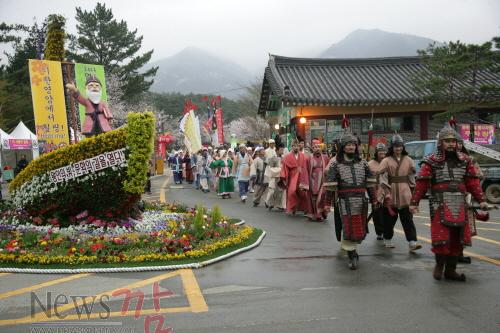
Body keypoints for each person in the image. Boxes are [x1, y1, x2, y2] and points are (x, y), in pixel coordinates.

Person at [410, 124, 489, 281]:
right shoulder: (431, 161)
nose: (451, 144)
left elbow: (472, 183)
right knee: (441, 238)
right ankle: (439, 266)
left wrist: (482, 200)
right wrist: (414, 203)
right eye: (447, 141)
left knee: (457, 239)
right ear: (440, 143)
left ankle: (450, 270)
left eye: (454, 141)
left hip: (460, 203)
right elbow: (422, 184)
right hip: (439, 203)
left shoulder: (465, 160)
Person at [324, 131, 378, 270]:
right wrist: (326, 204)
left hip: (361, 201)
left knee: (359, 229)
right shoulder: (336, 165)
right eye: (348, 145)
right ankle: (352, 254)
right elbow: (330, 187)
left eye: (353, 145)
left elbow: (370, 184)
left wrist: (374, 199)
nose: (351, 147)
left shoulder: (364, 164)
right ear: (342, 147)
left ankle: (352, 250)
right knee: (348, 228)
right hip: (344, 201)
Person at [377, 134, 422, 252]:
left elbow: (412, 177)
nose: (398, 148)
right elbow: (383, 178)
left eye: (400, 146)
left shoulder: (409, 160)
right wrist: (386, 193)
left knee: (407, 218)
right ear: (392, 147)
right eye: (396, 146)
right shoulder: (386, 160)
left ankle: (412, 242)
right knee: (389, 219)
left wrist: (413, 191)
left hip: (405, 192)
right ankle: (387, 239)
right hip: (390, 191)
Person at [280, 139, 313, 217]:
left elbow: (307, 166)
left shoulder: (303, 156)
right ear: (291, 147)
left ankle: (305, 209)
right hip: (292, 177)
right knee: (292, 192)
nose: (296, 148)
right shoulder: (287, 157)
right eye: (294, 146)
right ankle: (293, 207)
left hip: (302, 176)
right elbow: (285, 168)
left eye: (297, 146)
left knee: (303, 192)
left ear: (299, 147)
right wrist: (284, 178)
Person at [367, 143, 388, 240]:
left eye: (384, 151)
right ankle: (379, 232)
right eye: (380, 151)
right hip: (375, 190)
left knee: (387, 212)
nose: (382, 153)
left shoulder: (388, 162)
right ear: (376, 153)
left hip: (387, 189)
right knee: (377, 213)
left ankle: (387, 230)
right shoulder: (370, 164)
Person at [307, 139, 330, 221]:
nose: (317, 148)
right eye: (315, 147)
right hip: (312, 181)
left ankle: (320, 213)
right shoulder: (309, 158)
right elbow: (305, 171)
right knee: (314, 197)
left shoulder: (326, 158)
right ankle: (314, 213)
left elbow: (329, 169)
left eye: (318, 147)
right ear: (312, 149)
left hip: (323, 180)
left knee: (323, 196)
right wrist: (305, 183)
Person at [265, 144, 286, 211]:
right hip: (274, 176)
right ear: (277, 150)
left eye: (283, 149)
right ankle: (269, 203)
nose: (282, 151)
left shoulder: (284, 158)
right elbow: (270, 168)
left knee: (280, 191)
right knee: (272, 191)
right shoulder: (273, 158)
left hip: (281, 177)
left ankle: (280, 205)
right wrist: (279, 169)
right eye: (281, 149)